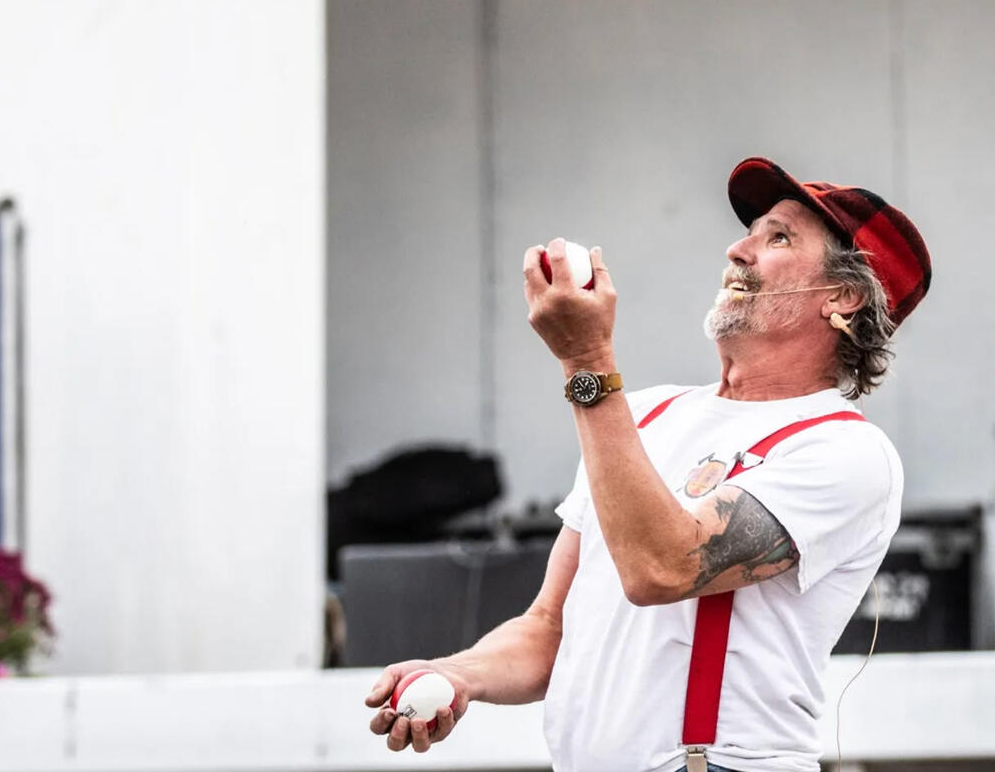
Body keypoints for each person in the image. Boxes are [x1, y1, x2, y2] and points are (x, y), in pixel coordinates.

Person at [365, 156, 931, 772]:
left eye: (778, 237)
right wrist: (458, 673)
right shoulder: (645, 415)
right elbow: (550, 627)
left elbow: (662, 568)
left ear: (843, 297)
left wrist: (586, 360)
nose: (738, 250)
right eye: (751, 231)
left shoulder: (844, 452)